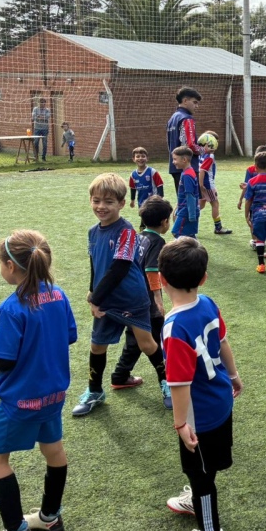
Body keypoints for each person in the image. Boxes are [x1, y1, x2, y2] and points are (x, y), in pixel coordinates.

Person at [0, 230, 77, 531]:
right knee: (54, 450)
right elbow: (69, 336)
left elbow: (3, 361)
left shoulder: (11, 307)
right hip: (54, 395)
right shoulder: (59, 294)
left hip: (20, 401)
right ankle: (50, 517)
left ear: (10, 266)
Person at [161, 238, 243, 531]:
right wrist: (234, 375)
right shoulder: (208, 302)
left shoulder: (174, 327)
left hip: (200, 415)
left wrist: (181, 423)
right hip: (221, 399)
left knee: (200, 473)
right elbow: (223, 342)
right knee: (206, 467)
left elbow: (179, 384)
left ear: (161, 280)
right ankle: (197, 499)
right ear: (204, 278)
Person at [73, 173, 165, 417]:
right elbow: (95, 264)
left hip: (131, 299)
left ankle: (167, 382)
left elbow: (120, 268)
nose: (101, 206)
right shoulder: (93, 232)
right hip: (106, 299)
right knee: (97, 346)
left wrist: (96, 299)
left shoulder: (127, 231)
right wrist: (92, 291)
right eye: (96, 200)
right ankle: (95, 391)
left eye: (109, 201)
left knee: (146, 344)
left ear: (122, 203)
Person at [109, 196, 173, 409]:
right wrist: (158, 300)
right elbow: (151, 270)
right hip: (146, 303)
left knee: (135, 339)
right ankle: (168, 383)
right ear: (164, 221)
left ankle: (120, 375)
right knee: (160, 342)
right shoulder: (158, 242)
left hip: (130, 299)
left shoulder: (137, 237)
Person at [167, 87, 206, 192]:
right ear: (185, 101)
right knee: (191, 198)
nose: (196, 106)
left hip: (175, 166)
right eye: (194, 102)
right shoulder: (187, 118)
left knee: (181, 199)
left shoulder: (172, 118)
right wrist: (204, 150)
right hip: (187, 166)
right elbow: (190, 145)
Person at [196, 131, 232, 235]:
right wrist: (201, 185)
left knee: (200, 205)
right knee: (215, 204)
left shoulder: (201, 154)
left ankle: (190, 224)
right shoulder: (209, 156)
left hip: (202, 184)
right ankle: (218, 227)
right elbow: (202, 170)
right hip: (207, 185)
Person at [172, 147, 201, 239]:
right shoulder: (187, 172)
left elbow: (190, 196)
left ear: (184, 160)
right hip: (184, 210)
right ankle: (196, 248)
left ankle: (191, 247)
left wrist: (192, 215)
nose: (173, 162)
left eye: (175, 159)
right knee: (189, 235)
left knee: (177, 233)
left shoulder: (187, 175)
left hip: (186, 212)